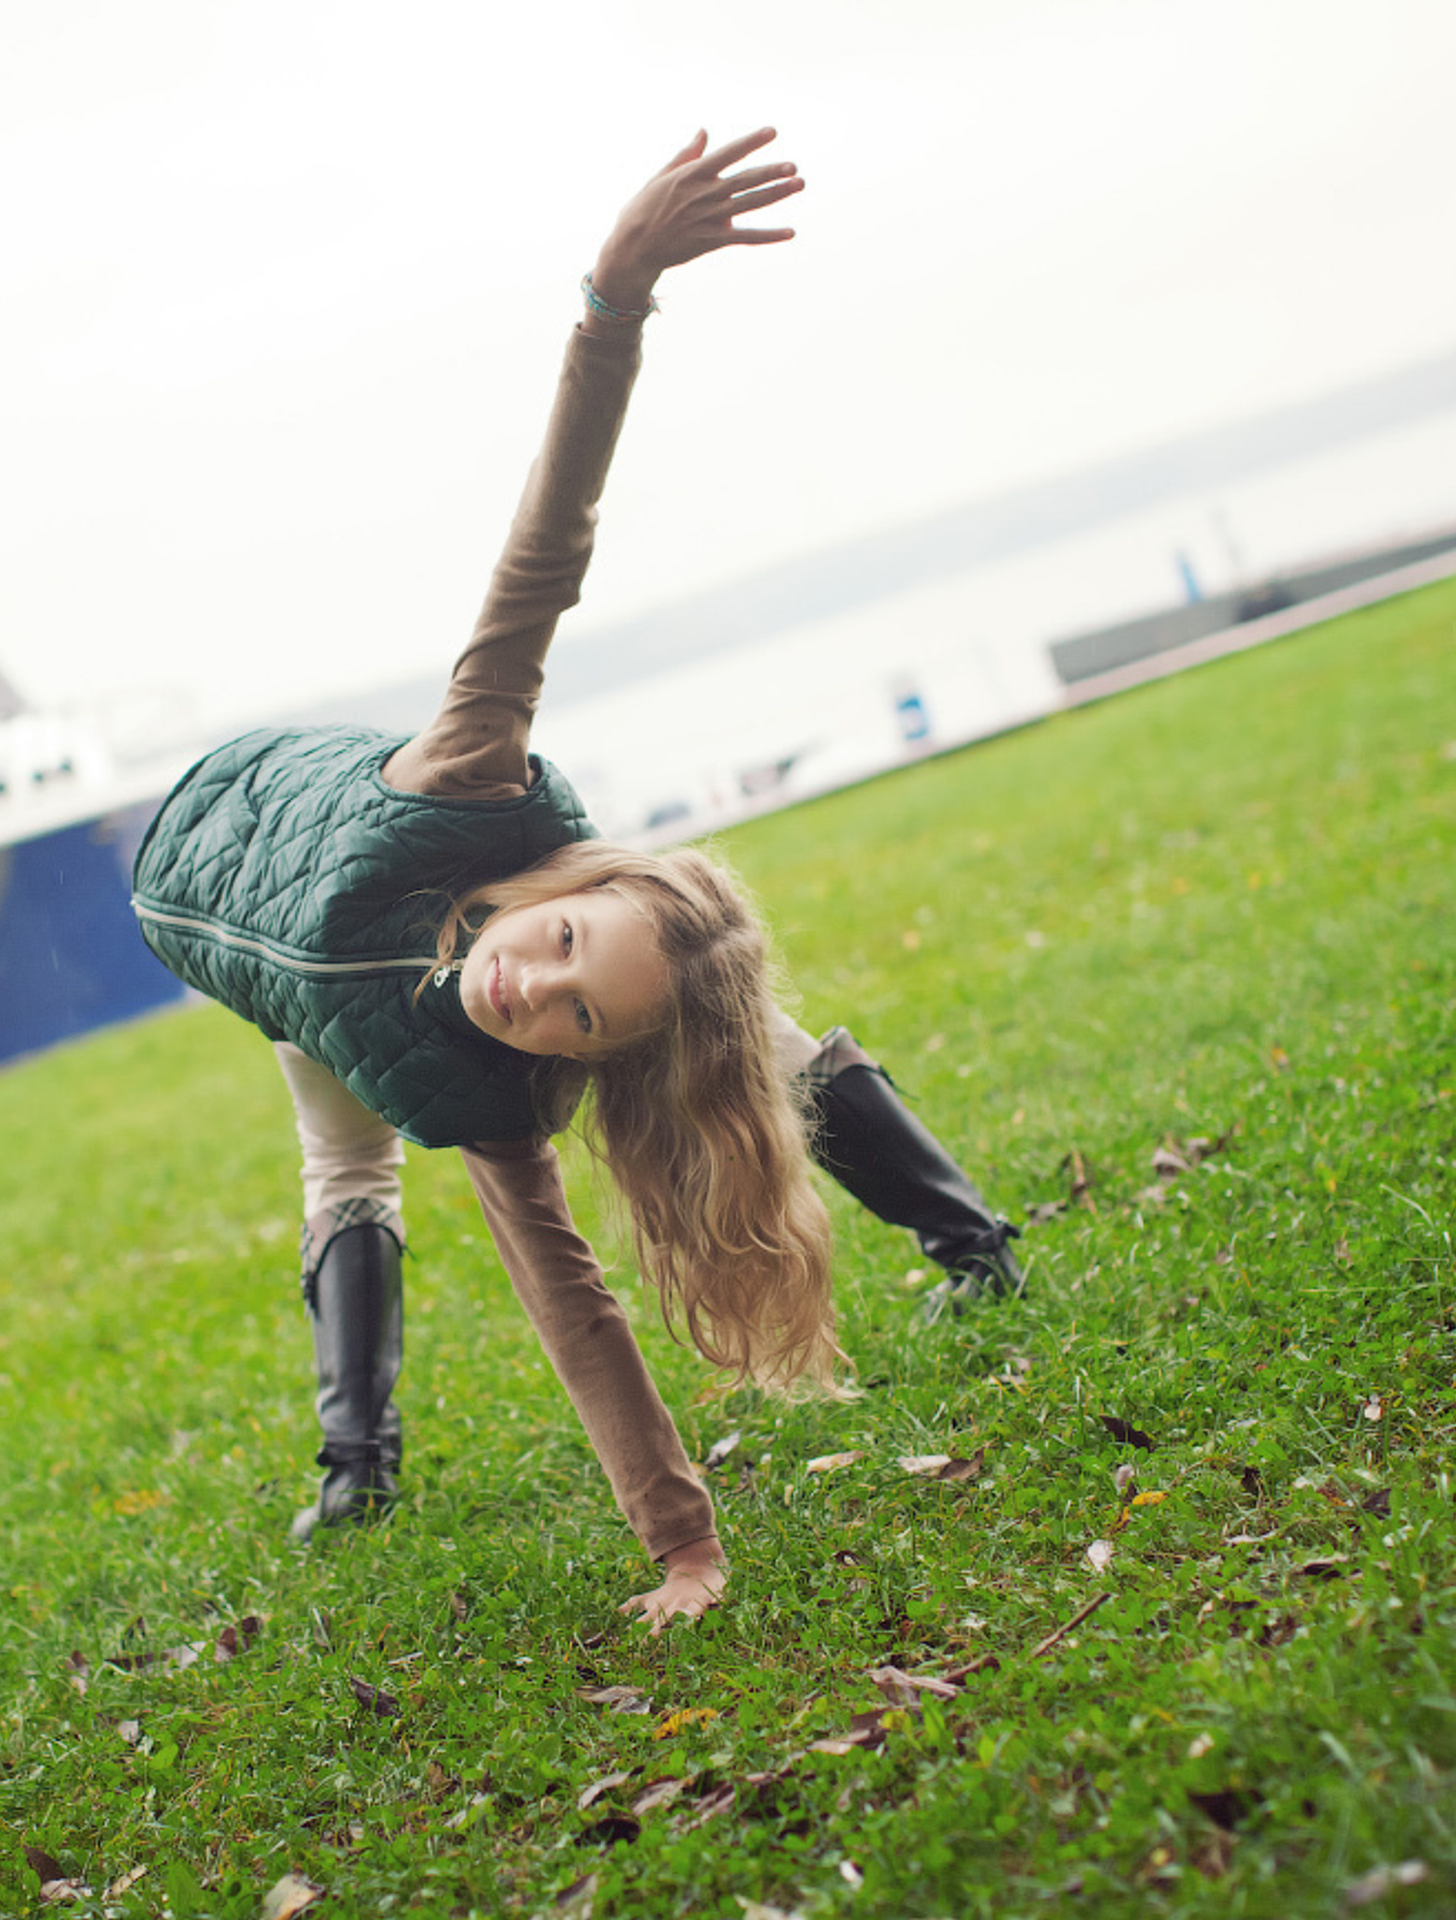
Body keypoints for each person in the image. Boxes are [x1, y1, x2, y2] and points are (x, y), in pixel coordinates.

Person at [131, 129, 1021, 1631]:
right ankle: (360, 1461)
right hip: (284, 870)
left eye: (567, 1021)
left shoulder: (491, 1089)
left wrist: (686, 1545)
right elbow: (547, 551)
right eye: (556, 947)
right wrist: (616, 297)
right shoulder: (464, 781)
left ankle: (966, 1238)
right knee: (697, 1001)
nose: (525, 989)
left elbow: (573, 1302)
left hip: (310, 976)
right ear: (560, 886)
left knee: (647, 1047)